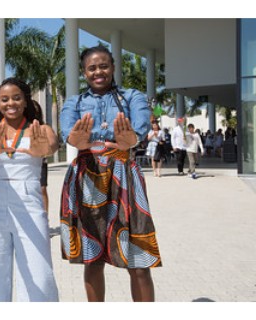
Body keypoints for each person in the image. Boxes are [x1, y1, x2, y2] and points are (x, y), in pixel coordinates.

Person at [59, 45, 162, 302]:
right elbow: (69, 134)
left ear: (113, 67)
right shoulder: (74, 102)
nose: (98, 72)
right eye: (91, 68)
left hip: (124, 175)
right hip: (87, 178)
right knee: (92, 258)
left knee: (138, 258)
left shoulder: (133, 97)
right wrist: (78, 139)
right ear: (84, 72)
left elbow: (138, 130)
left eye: (103, 65)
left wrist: (131, 139)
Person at [0, 77, 59, 302]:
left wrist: (44, 149)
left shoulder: (41, 130)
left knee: (38, 267)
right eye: (4, 99)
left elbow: (51, 146)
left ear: (26, 101)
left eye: (16, 98)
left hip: (29, 197)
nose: (11, 103)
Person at [32, 100, 50, 212]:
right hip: (27, 163)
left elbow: (50, 146)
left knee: (42, 189)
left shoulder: (43, 127)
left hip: (41, 162)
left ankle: (45, 217)